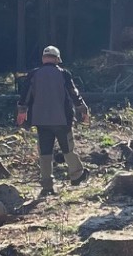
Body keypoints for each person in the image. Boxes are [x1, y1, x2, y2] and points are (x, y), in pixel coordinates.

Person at [21, 44, 89, 196]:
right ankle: (76, 175)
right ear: (57, 59)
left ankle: (47, 185)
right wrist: (83, 110)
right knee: (68, 148)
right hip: (62, 120)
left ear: (44, 59)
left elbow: (25, 94)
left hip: (41, 121)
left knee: (45, 152)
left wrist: (22, 111)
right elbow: (74, 93)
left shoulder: (33, 74)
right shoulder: (64, 74)